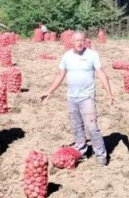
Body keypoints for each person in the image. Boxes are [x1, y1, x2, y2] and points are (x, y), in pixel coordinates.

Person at [40, 30, 116, 166]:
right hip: (72, 97)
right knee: (76, 126)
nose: (80, 43)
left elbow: (101, 73)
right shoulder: (67, 56)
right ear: (72, 42)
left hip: (87, 97)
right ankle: (81, 150)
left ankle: (101, 155)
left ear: (85, 41)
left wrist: (109, 93)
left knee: (92, 126)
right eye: (77, 40)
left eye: (82, 40)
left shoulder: (92, 55)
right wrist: (49, 91)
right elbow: (60, 75)